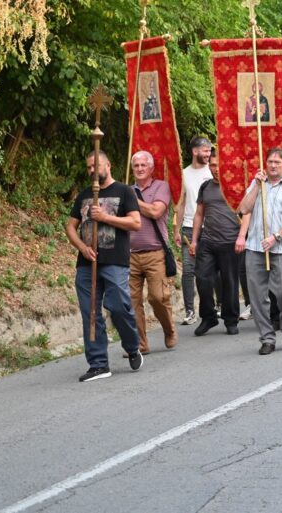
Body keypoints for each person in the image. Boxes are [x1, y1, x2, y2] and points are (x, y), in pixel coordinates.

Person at [65, 151, 144, 382]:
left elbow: (135, 223)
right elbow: (70, 226)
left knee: (119, 306)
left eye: (95, 166)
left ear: (108, 165)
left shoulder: (124, 191)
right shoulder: (84, 195)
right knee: (90, 313)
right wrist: (81, 247)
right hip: (87, 263)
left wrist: (106, 217)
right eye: (88, 167)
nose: (92, 170)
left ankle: (132, 345)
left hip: (115, 261)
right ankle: (98, 364)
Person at [239, 148, 282, 355]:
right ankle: (267, 337)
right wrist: (257, 187)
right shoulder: (257, 184)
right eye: (270, 161)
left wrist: (276, 236)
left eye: (278, 162)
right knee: (257, 296)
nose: (273, 165)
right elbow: (243, 209)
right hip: (255, 248)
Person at [190, 149, 249, 336]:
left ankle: (231, 319)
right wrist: (194, 240)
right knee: (202, 278)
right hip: (208, 240)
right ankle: (208, 317)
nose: (216, 169)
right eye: (213, 165)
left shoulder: (236, 186)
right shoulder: (205, 186)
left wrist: (241, 236)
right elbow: (199, 214)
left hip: (231, 241)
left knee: (230, 282)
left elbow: (247, 212)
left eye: (219, 165)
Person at [128, 151, 177, 356]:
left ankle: (169, 329)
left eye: (143, 165)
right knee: (131, 301)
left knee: (157, 297)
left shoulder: (161, 187)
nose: (139, 169)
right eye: (136, 166)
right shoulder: (127, 190)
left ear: (151, 168)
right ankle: (140, 343)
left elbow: (155, 211)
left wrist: (131, 200)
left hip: (155, 252)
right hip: (129, 254)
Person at [174, 136, 212, 325]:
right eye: (205, 150)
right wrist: (176, 229)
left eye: (209, 151)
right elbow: (180, 203)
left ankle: (214, 306)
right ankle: (190, 310)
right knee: (188, 270)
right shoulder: (184, 174)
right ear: (195, 151)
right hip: (189, 227)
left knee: (210, 270)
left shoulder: (213, 171)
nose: (208, 154)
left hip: (211, 227)